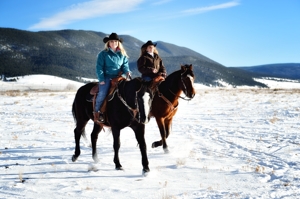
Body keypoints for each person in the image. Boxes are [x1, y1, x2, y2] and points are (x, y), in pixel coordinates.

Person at [94, 32, 131, 123]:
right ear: (108, 43)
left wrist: (127, 72)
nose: (113, 43)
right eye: (111, 41)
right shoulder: (103, 54)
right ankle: (97, 112)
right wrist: (101, 79)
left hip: (119, 77)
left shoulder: (122, 54)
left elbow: (125, 66)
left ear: (118, 43)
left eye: (115, 41)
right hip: (107, 77)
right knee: (102, 93)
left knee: (129, 91)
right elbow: (99, 67)